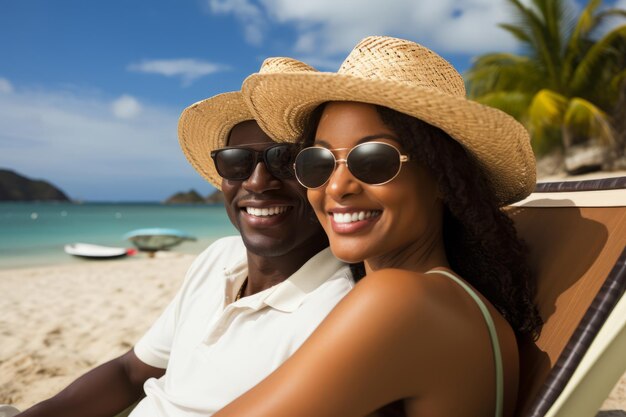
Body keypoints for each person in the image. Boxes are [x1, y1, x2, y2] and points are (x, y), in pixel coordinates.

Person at [213, 36, 544, 417]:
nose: (336, 186)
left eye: (373, 160)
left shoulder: (398, 299)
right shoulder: (448, 297)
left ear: (442, 177)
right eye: (317, 164)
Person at [13, 58, 355, 417]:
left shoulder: (340, 307)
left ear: (324, 173)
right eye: (236, 162)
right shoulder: (219, 257)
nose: (256, 181)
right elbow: (131, 372)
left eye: (286, 161)